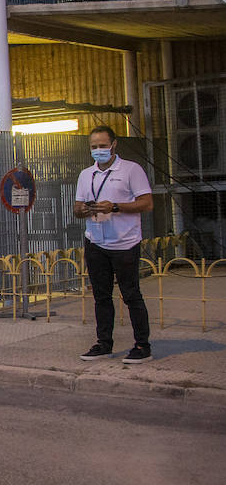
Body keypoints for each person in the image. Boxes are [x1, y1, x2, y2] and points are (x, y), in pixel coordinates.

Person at [74, 125, 154, 364]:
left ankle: (142, 345)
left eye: (102, 146)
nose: (98, 150)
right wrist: (84, 210)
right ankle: (104, 344)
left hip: (124, 243)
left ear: (114, 144)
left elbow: (147, 203)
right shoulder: (86, 175)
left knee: (131, 295)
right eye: (94, 147)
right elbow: (77, 209)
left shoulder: (131, 169)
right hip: (96, 241)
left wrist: (115, 207)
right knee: (101, 296)